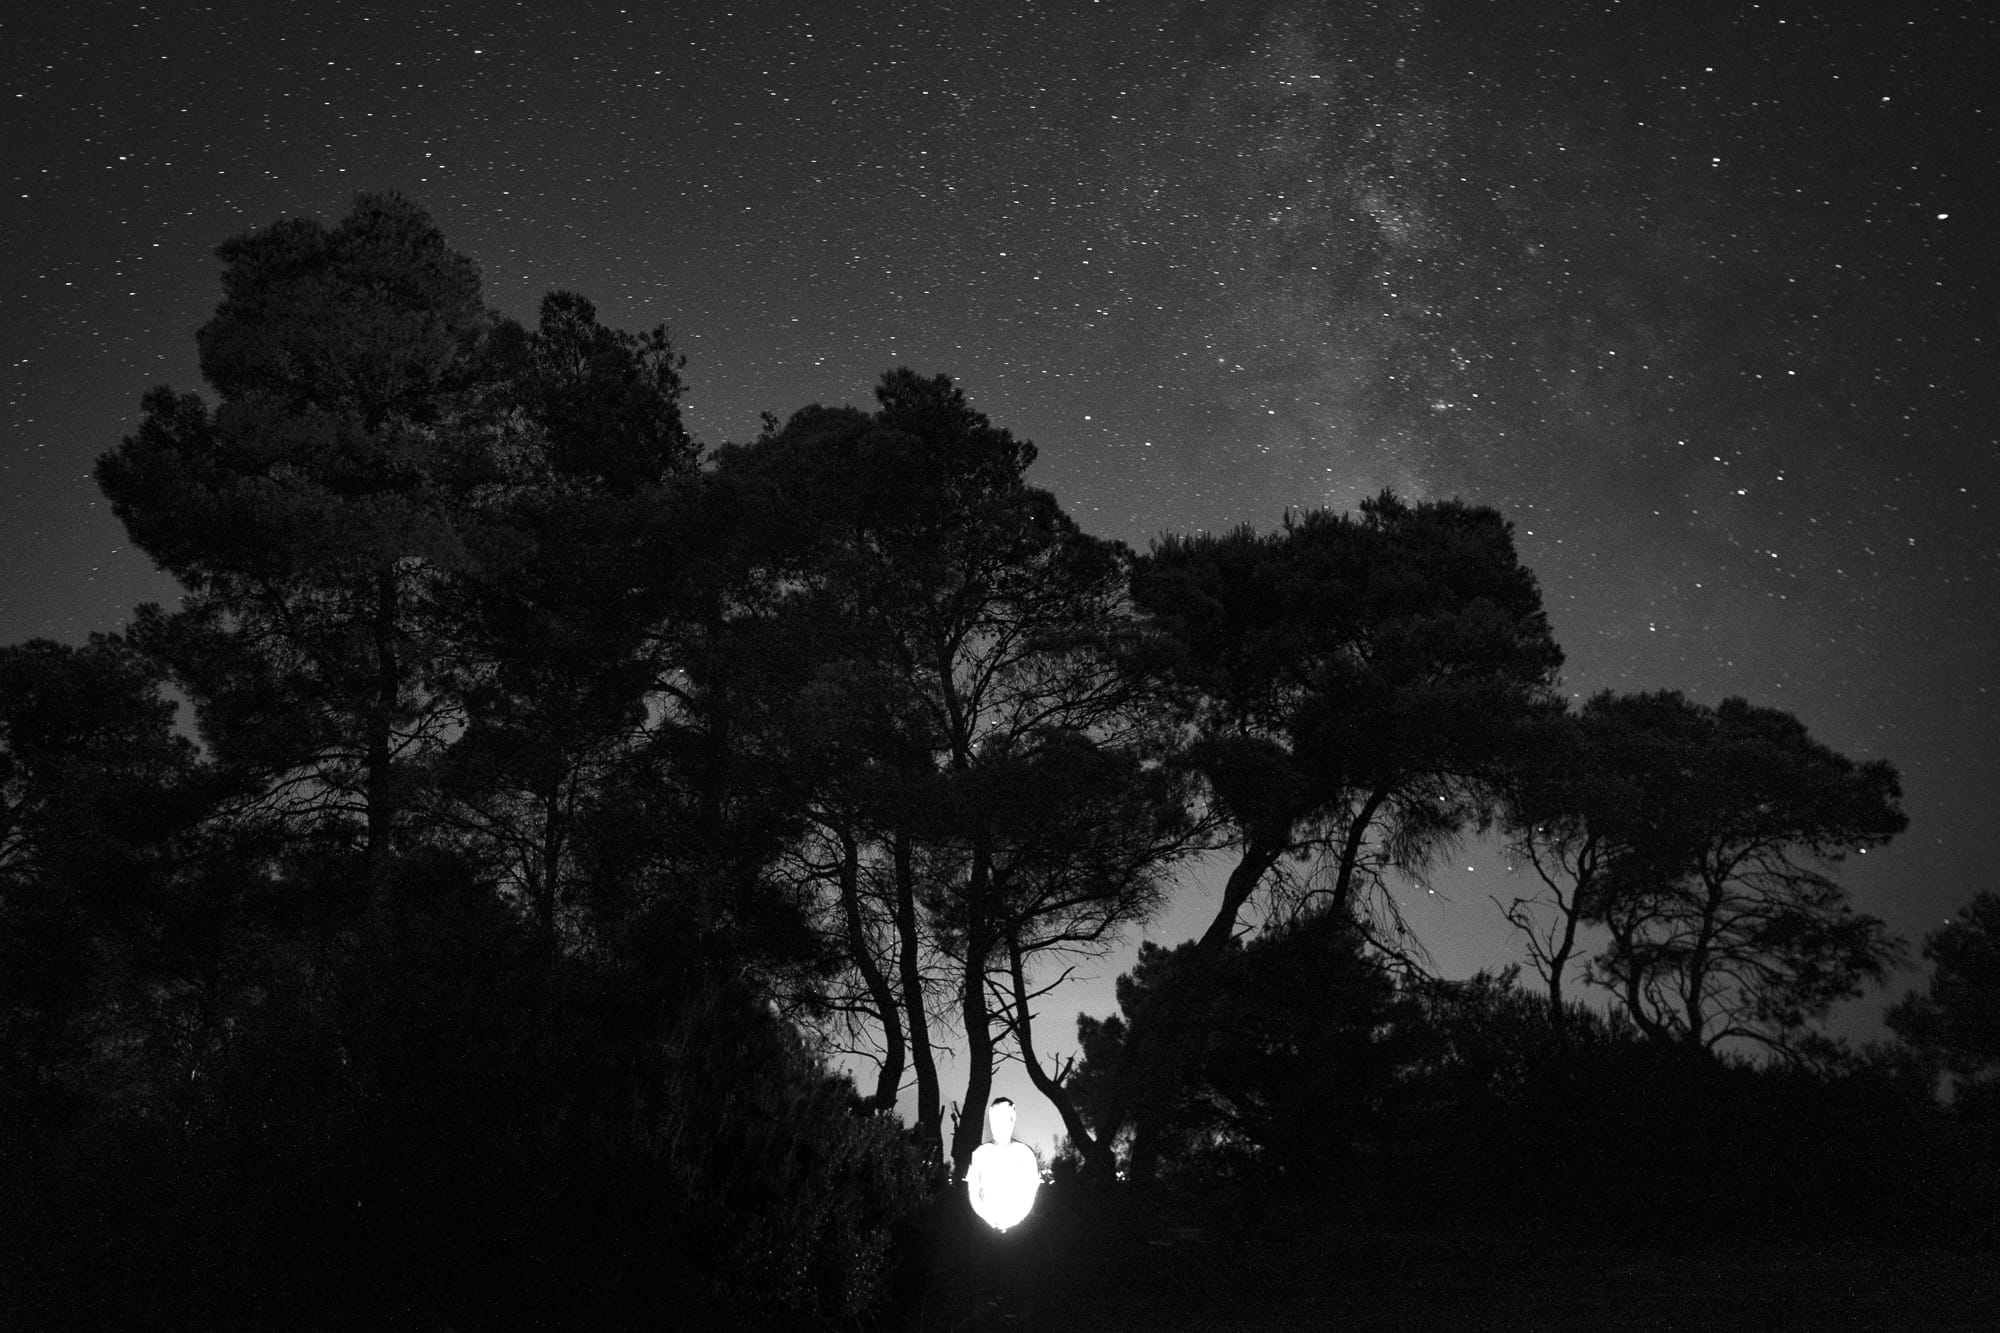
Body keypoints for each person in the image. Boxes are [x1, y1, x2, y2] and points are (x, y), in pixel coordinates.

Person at [966, 1097, 1040, 1231]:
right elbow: (973, 1191)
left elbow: (1031, 1193)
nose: (1000, 1122)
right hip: (984, 1233)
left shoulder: (1024, 1154)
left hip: (1021, 1234)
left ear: (1013, 1116)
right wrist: (988, 1220)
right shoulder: (980, 1154)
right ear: (990, 1116)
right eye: (996, 1116)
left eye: (1005, 1116)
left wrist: (1015, 1221)